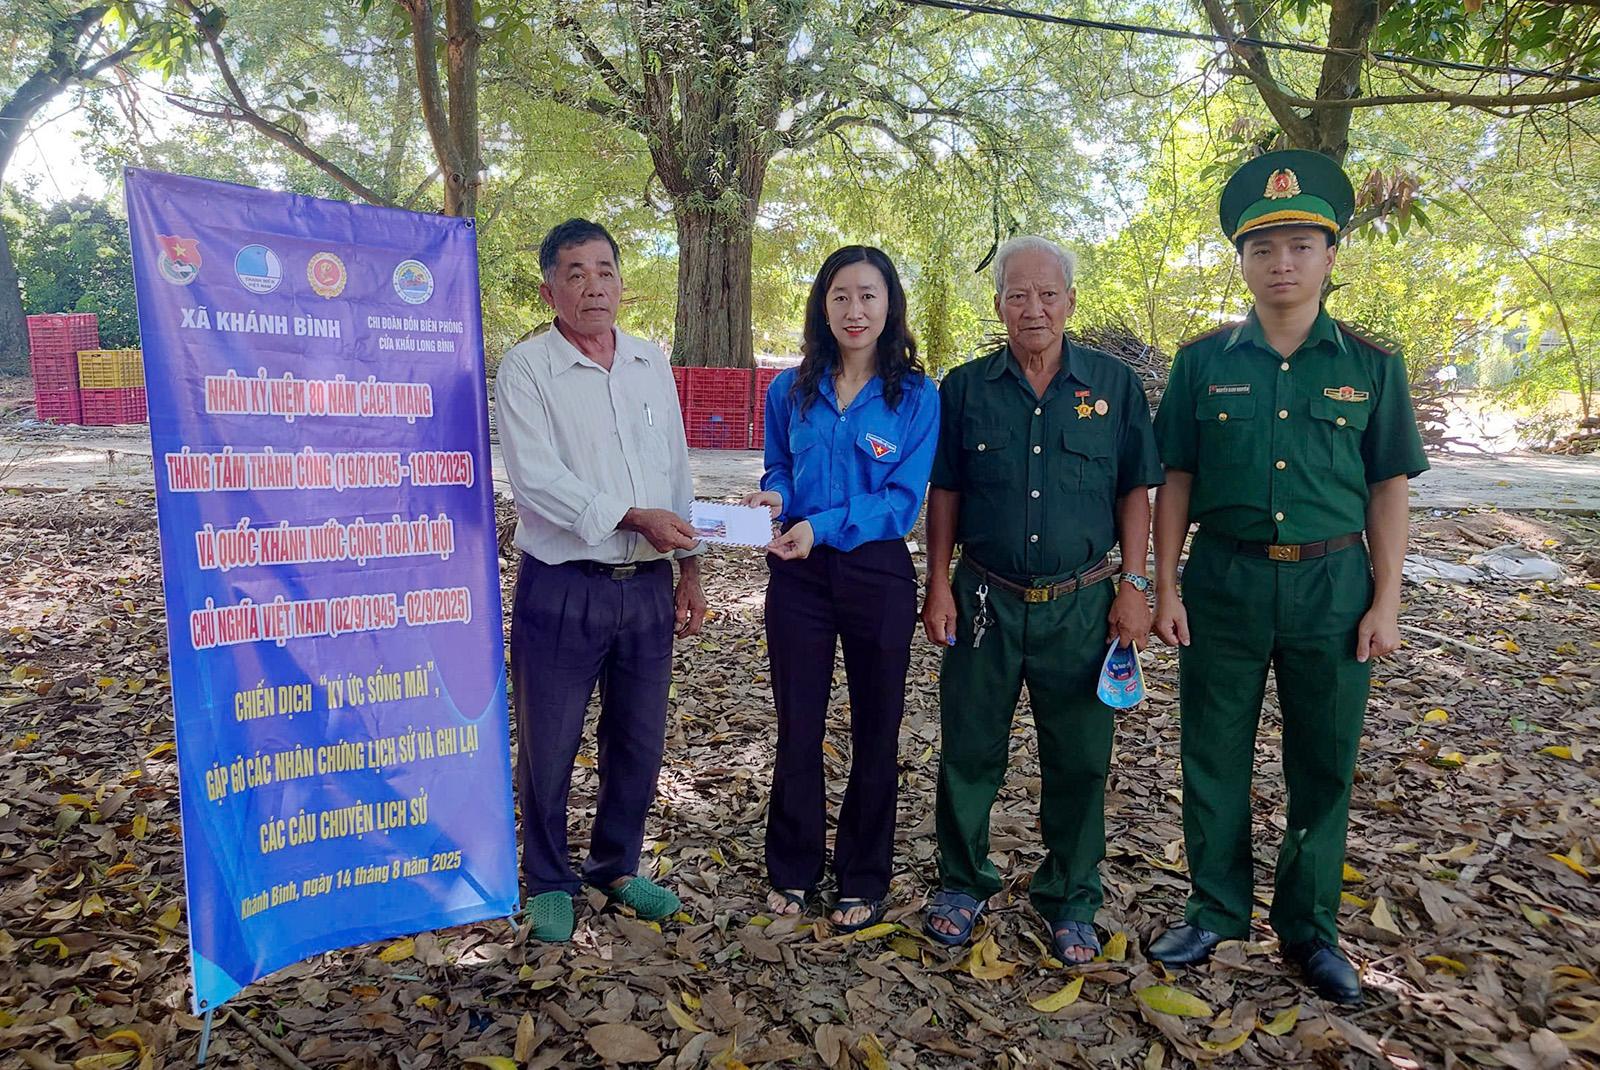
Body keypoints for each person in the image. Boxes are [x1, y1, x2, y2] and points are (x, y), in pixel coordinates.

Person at [1146, 150, 1429, 1006]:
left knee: (1323, 763)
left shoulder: (1372, 366)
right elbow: (1178, 484)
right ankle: (1216, 908)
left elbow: (1388, 488)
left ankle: (1310, 930)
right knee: (1214, 755)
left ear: (1330, 256)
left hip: (1333, 588)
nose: (1283, 263)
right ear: (1241, 259)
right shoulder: (1202, 364)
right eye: (1264, 248)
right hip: (1224, 584)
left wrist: (1387, 597)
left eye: (1301, 245)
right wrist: (1163, 588)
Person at [919, 236, 1164, 961]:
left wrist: (1137, 584)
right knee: (968, 750)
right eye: (1017, 295)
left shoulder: (1114, 387)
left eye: (1048, 294)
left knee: (1081, 758)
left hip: (1085, 605)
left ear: (1071, 303)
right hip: (985, 600)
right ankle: (962, 883)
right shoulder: (963, 387)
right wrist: (937, 581)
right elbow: (946, 494)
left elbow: (1135, 493)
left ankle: (1069, 898)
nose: (1033, 308)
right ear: (997, 305)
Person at [496, 218, 708, 942]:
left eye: (605, 270)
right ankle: (548, 877)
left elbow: (674, 469)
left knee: (638, 739)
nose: (593, 286)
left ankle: (615, 866)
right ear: (550, 286)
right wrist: (630, 515)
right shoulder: (527, 369)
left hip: (648, 587)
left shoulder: (650, 362)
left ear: (622, 280)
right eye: (575, 272)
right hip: (564, 585)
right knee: (549, 742)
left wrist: (691, 570)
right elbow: (536, 481)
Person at [743, 246, 939, 933]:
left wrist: (819, 526)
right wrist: (774, 497)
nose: (855, 311)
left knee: (876, 729)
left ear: (890, 306)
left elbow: (901, 502)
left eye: (868, 296)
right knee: (798, 724)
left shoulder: (916, 396)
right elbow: (780, 466)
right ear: (821, 306)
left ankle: (864, 874)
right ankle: (792, 868)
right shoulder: (788, 389)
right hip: (797, 572)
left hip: (875, 572)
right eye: (840, 297)